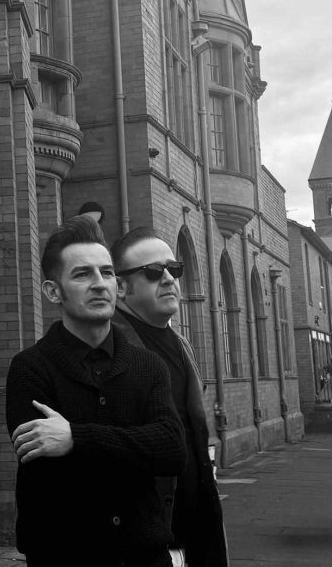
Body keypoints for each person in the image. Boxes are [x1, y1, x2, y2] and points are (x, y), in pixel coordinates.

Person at [6, 216, 186, 566]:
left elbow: (172, 450)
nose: (99, 284)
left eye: (106, 273)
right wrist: (136, 446)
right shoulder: (30, 368)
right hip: (65, 557)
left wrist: (76, 437)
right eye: (82, 274)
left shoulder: (147, 366)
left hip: (144, 556)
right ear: (53, 291)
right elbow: (46, 468)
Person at [111, 227, 229, 567]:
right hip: (149, 532)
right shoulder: (113, 351)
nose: (167, 279)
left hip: (199, 520)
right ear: (121, 287)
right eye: (152, 272)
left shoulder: (182, 344)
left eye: (173, 269)